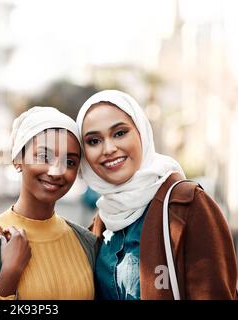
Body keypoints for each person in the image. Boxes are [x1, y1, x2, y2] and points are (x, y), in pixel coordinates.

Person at [76, 89, 237, 300]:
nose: (109, 148)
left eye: (120, 133)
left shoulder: (187, 204)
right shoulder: (103, 220)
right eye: (94, 141)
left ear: (141, 133)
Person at [0, 107, 97, 300]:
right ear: (18, 159)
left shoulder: (87, 243)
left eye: (69, 162)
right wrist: (9, 275)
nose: (56, 171)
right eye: (44, 157)